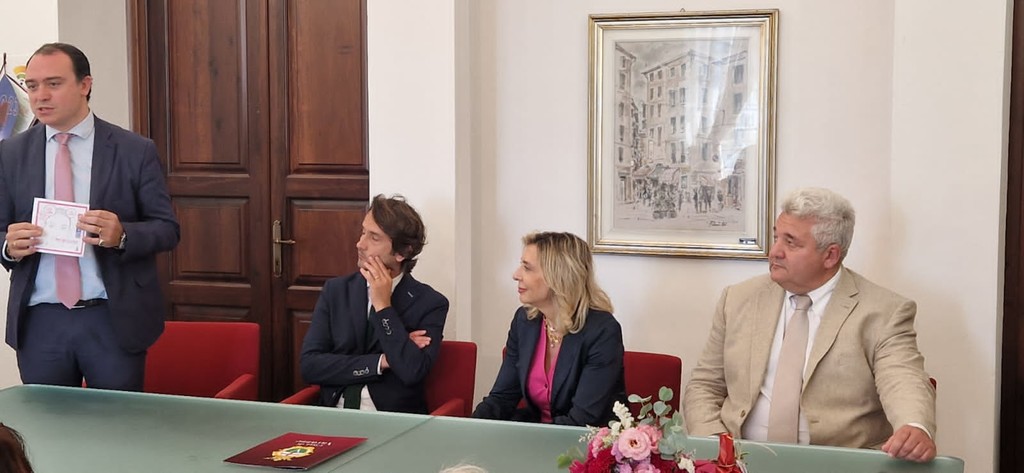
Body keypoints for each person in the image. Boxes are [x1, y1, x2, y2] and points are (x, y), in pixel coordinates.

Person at [683, 187, 937, 462]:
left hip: (838, 464)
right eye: (776, 237)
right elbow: (705, 386)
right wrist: (717, 450)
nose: (775, 251)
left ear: (830, 255)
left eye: (791, 242)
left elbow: (903, 378)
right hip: (738, 462)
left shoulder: (883, 312)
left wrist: (914, 425)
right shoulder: (737, 299)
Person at [0, 43, 180, 390]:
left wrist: (122, 235)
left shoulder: (134, 150)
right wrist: (9, 246)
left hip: (112, 317)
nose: (40, 96)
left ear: (85, 85)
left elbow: (168, 229)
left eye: (53, 84)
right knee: (47, 422)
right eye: (32, 86)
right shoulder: (10, 153)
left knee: (115, 420)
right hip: (40, 320)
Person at [300, 194, 448, 413]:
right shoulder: (336, 291)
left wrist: (383, 307)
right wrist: (383, 361)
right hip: (333, 413)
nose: (360, 244)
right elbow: (310, 366)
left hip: (393, 419)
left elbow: (411, 371)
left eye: (374, 238)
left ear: (403, 252)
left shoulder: (430, 303)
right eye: (363, 232)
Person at [473, 232, 626, 426]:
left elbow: (581, 421)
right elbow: (502, 398)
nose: (516, 275)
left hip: (585, 439)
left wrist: (528, 439)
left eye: (527, 268)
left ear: (558, 277)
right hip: (539, 434)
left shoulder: (602, 331)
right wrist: (468, 429)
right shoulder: (524, 321)